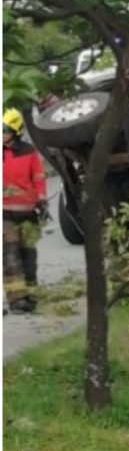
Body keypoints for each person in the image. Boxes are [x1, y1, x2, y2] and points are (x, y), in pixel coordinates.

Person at [3, 109, 47, 315]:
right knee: (11, 257)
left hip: (29, 214)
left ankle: (31, 296)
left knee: (29, 256)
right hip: (5, 215)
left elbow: (38, 179)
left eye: (5, 130)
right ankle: (16, 300)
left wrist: (42, 201)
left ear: (16, 130)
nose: (2, 134)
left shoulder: (29, 152)